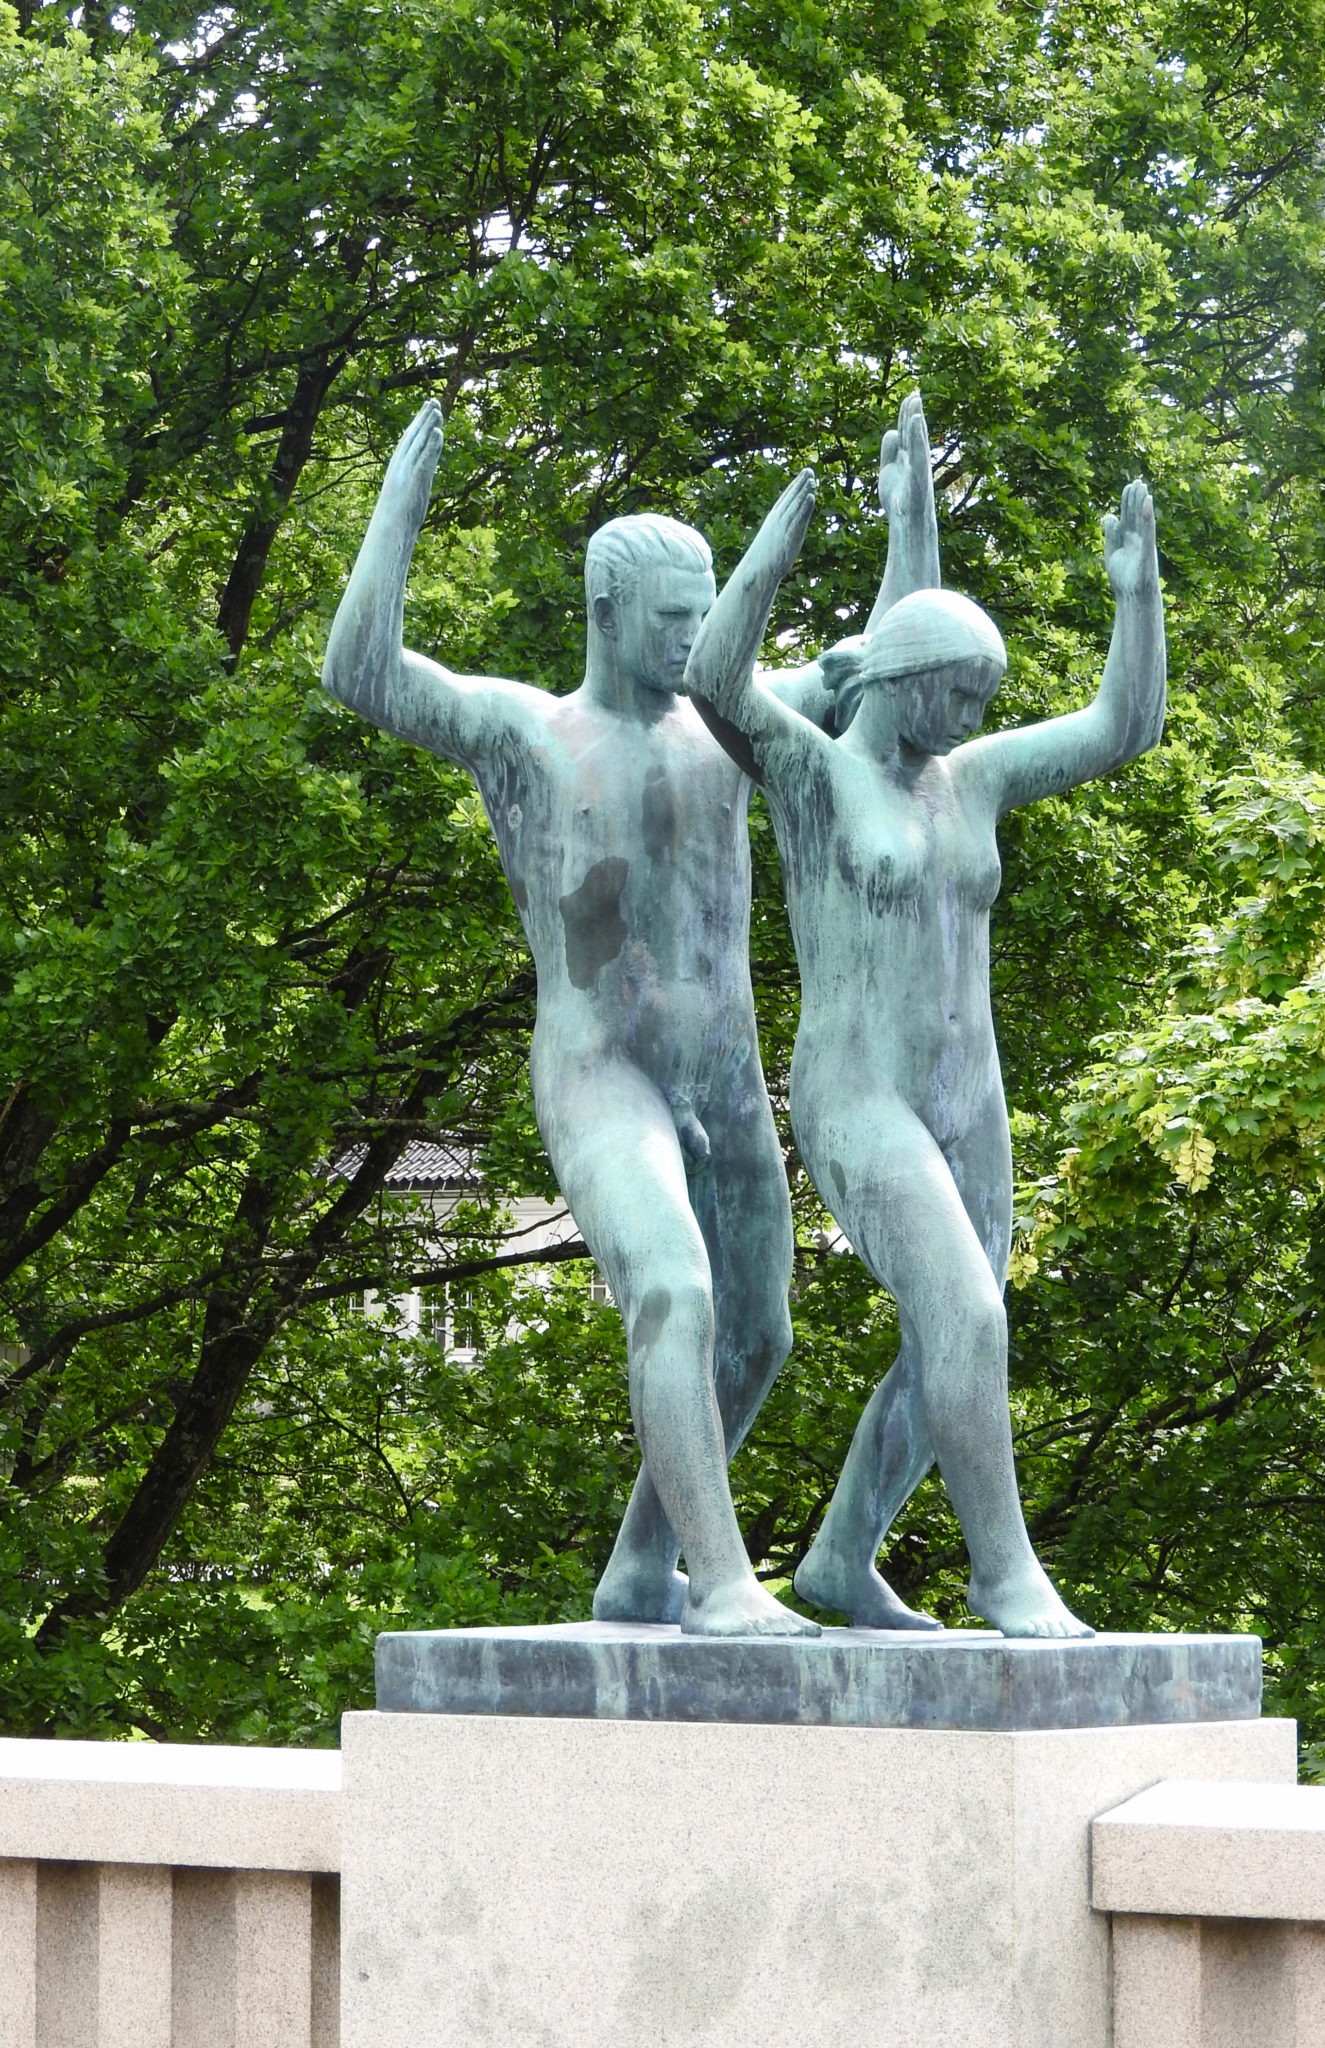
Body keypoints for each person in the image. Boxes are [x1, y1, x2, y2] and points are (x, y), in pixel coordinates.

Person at [324, 399, 921, 1636]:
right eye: (671, 619)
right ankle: (723, 1583)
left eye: (705, 616)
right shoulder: (527, 734)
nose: (693, 639)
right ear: (606, 613)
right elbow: (361, 670)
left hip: (726, 1074)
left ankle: (639, 1565)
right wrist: (399, 499)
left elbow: (895, 678)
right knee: (671, 1288)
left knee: (759, 1335)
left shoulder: (732, 721)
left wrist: (906, 514)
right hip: (604, 1072)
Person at [685, 401, 1166, 1637]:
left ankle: (840, 1556)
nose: (964, 716)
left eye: (978, 696)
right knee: (967, 1312)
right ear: (899, 682)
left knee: (951, 1336)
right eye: (952, 692)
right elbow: (711, 679)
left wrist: (1134, 594)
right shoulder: (811, 774)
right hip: (858, 1095)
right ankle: (1004, 1576)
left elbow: (1122, 728)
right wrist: (769, 556)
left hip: (971, 1094)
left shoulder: (978, 778)